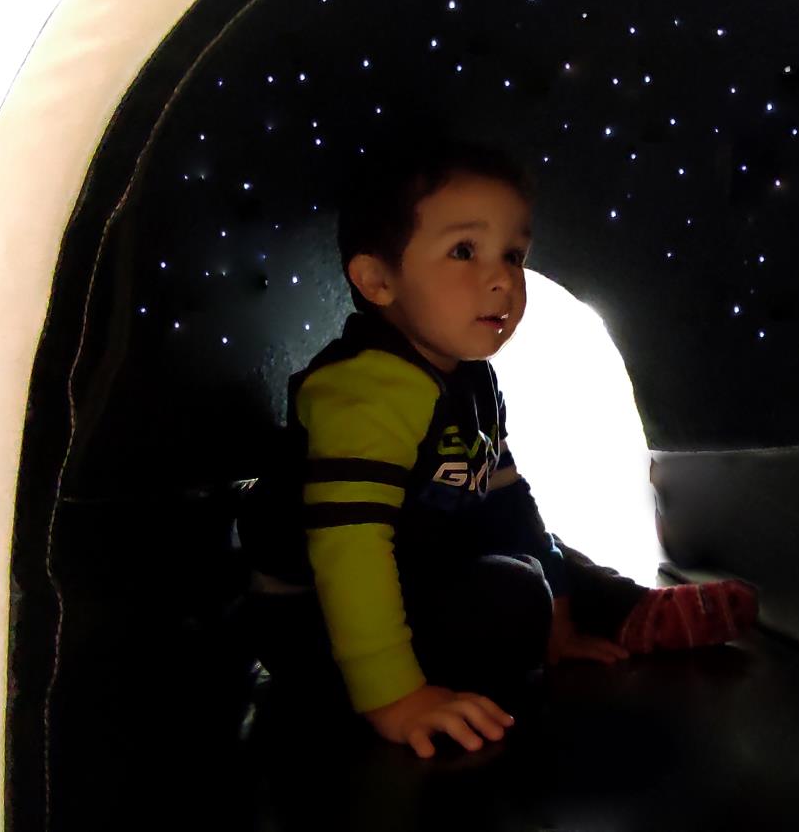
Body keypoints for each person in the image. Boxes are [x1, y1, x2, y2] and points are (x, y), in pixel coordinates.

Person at [238, 121, 759, 761]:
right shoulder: (365, 389)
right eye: (465, 251)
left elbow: (509, 504)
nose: (502, 279)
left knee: (533, 547)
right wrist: (395, 698)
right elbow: (350, 552)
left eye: (513, 255)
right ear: (377, 281)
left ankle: (622, 609)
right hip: (315, 616)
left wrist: (560, 620)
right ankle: (579, 613)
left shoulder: (470, 379)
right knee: (508, 595)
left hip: (414, 568)